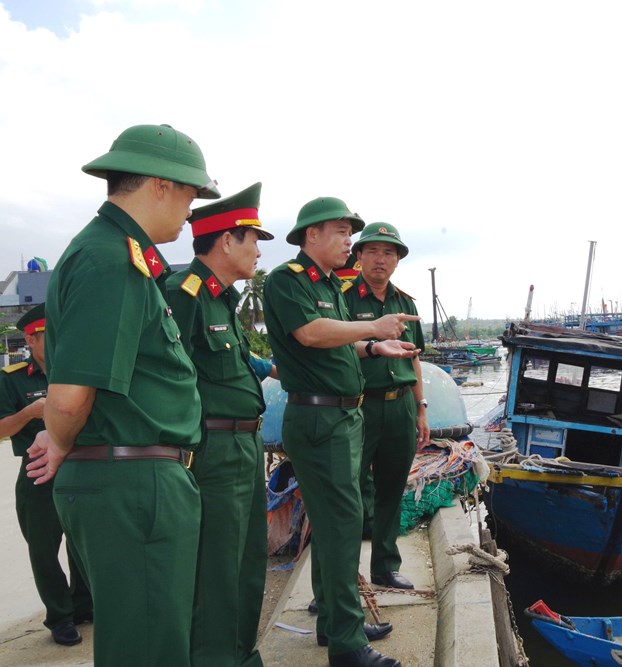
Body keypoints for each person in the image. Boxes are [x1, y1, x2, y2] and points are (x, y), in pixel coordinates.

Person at [27, 123, 219, 666]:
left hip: (132, 478)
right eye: (189, 193)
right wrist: (59, 440)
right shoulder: (113, 259)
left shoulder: (115, 253)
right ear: (160, 185)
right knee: (149, 649)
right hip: (132, 483)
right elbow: (68, 396)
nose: (191, 210)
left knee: (147, 638)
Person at [263, 197, 419, 667]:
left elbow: (337, 350)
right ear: (312, 235)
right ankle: (347, 644)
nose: (349, 241)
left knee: (339, 526)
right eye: (341, 232)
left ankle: (336, 622)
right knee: (342, 523)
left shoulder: (329, 286)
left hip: (343, 416)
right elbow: (310, 335)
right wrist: (369, 325)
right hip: (320, 418)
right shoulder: (288, 282)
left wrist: (372, 348)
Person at [164, 182, 276, 667]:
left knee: (249, 565)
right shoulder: (182, 294)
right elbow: (166, 374)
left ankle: (241, 655)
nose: (256, 251)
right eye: (252, 240)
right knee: (215, 570)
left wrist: (269, 367)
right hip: (212, 449)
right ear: (226, 241)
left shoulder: (222, 300)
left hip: (245, 445)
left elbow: (229, 359)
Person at [0, 304, 92, 646]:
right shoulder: (11, 379)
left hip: (81, 466)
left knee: (82, 544)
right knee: (43, 549)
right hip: (37, 474)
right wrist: (29, 412)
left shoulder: (75, 372)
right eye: (46, 336)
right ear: (31, 339)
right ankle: (60, 616)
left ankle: (84, 604)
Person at [344, 223, 430, 589]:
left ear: (397, 260)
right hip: (359, 406)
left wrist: (421, 408)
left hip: (400, 408)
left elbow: (414, 360)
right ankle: (341, 578)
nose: (381, 259)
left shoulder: (405, 303)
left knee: (392, 486)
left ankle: (384, 565)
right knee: (346, 491)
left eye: (389, 253)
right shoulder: (344, 299)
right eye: (373, 251)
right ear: (359, 256)